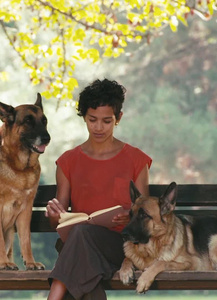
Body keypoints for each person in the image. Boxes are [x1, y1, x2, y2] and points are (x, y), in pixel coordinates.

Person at [45, 78, 152, 299]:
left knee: (80, 241)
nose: (99, 127)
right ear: (84, 116)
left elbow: (146, 216)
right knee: (81, 243)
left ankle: (53, 296)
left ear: (118, 118)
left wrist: (130, 217)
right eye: (92, 120)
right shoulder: (68, 162)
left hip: (122, 248)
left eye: (106, 121)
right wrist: (55, 214)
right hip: (81, 247)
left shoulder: (135, 160)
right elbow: (58, 221)